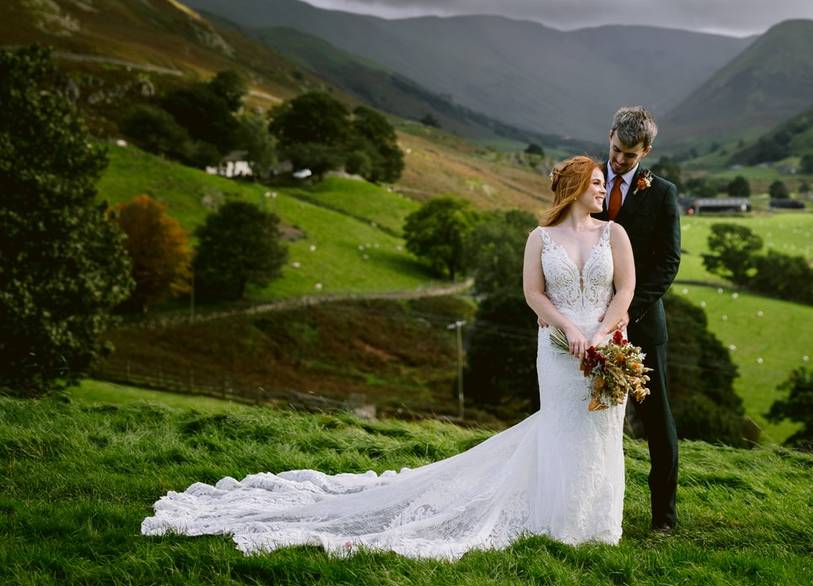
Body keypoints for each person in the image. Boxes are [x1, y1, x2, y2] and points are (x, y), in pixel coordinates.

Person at [141, 156, 636, 561]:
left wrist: (603, 333)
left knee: (599, 430)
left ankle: (595, 525)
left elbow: (626, 288)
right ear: (572, 187)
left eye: (602, 185)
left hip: (605, 347)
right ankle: (558, 521)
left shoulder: (614, 234)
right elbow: (533, 293)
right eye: (595, 183)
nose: (602, 190)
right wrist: (569, 327)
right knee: (560, 427)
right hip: (557, 348)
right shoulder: (539, 238)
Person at [593, 106, 681, 533]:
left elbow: (668, 262)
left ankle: (663, 518)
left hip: (643, 324)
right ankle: (586, 505)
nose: (618, 161)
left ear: (646, 150)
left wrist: (630, 309)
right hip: (587, 319)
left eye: (629, 155)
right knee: (583, 412)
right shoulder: (585, 180)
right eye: (615, 150)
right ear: (609, 135)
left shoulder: (662, 193)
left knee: (656, 419)